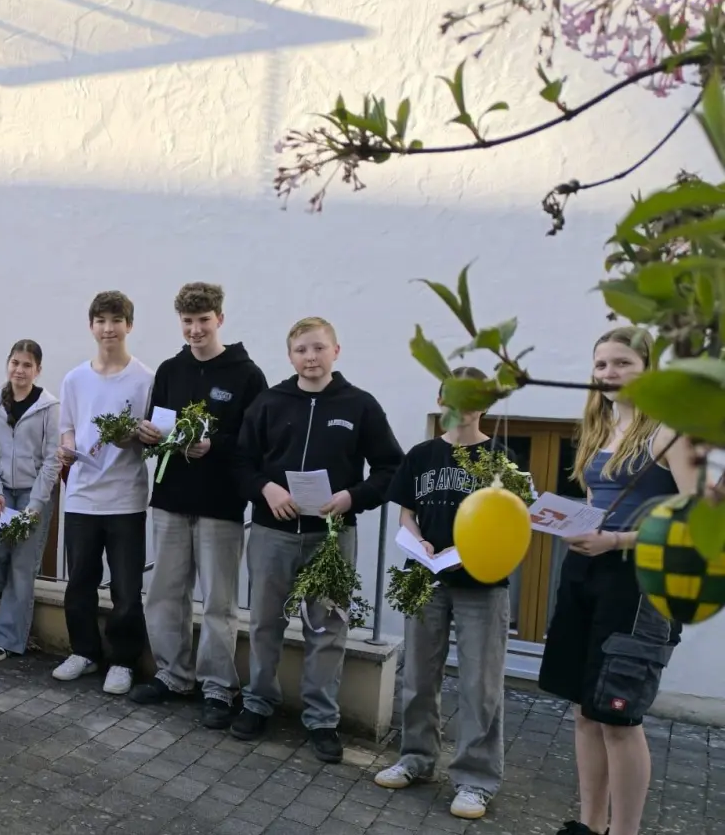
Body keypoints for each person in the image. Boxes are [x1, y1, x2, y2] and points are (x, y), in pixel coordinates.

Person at [540, 327, 699, 835]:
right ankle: (589, 826)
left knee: (618, 719)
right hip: (586, 572)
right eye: (602, 364)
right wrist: (573, 525)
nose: (609, 374)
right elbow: (596, 504)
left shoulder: (671, 431)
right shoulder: (597, 428)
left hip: (638, 583)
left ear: (648, 368)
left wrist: (616, 541)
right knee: (585, 713)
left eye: (622, 363)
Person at [232, 317, 403, 762]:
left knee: (327, 628)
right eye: (302, 350)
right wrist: (265, 489)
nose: (311, 358)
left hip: (331, 539)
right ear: (290, 356)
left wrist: (353, 497)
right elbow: (241, 462)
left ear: (336, 351)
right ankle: (258, 703)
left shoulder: (360, 405)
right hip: (272, 532)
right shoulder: (270, 403)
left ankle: (321, 719)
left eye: (319, 349)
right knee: (265, 622)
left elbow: (390, 469)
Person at [374, 367, 521, 820]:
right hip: (426, 577)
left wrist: (469, 550)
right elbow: (406, 514)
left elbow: (511, 525)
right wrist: (416, 541)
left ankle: (475, 781)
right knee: (419, 674)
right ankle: (416, 759)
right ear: (440, 399)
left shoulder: (500, 458)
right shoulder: (422, 454)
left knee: (481, 685)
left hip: (482, 585)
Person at [131, 282, 269, 728]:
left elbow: (255, 443)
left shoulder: (247, 375)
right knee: (164, 594)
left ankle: (217, 687)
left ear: (220, 320)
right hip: (171, 499)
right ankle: (173, 676)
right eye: (188, 322)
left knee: (218, 603)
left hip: (221, 504)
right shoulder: (171, 369)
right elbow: (158, 423)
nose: (194, 330)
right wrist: (148, 435)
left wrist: (216, 445)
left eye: (203, 321)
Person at [51, 291, 155, 696]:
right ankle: (85, 652)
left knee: (126, 586)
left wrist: (142, 437)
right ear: (91, 326)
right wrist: (67, 445)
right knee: (80, 580)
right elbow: (68, 426)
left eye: (116, 320)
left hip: (125, 496)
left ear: (129, 325)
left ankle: (124, 661)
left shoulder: (146, 379)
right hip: (81, 494)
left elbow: (155, 438)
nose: (108, 329)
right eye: (101, 321)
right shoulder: (75, 378)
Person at [0, 340, 62, 662]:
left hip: (33, 494)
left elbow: (52, 460)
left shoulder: (49, 407)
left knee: (23, 567)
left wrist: (35, 505)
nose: (20, 370)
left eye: (27, 365)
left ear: (37, 370)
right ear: (7, 364)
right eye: (15, 363)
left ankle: (5, 638)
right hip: (3, 490)